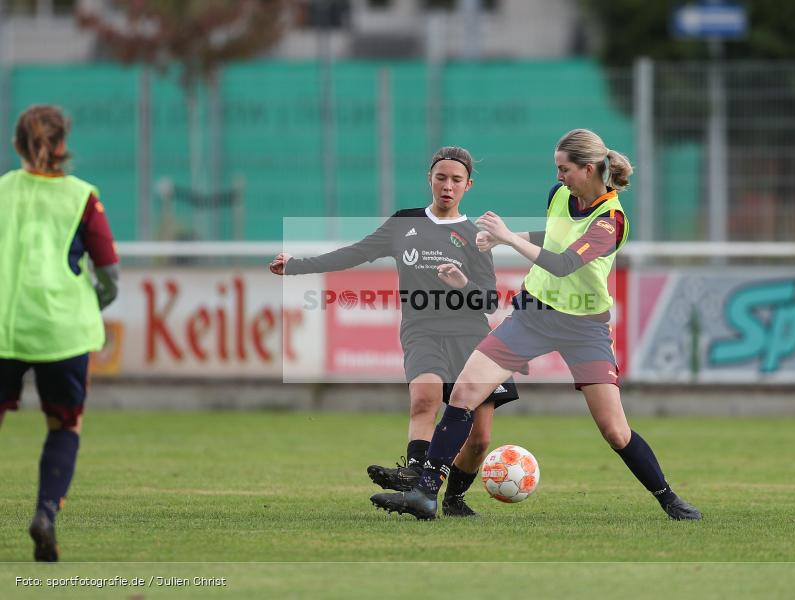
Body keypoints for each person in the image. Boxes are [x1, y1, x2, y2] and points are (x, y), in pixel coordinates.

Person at [371, 128, 702, 521]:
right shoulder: (559, 195)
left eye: (565, 169)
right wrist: (506, 239)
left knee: (615, 430)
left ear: (590, 168)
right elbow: (557, 237)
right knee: (464, 392)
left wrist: (508, 237)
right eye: (557, 169)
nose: (559, 177)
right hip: (533, 314)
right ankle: (427, 495)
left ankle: (668, 498)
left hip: (584, 327)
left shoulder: (611, 220)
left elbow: (564, 264)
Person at [270, 146, 519, 517]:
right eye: (441, 177)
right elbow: (354, 253)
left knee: (480, 438)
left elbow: (486, 301)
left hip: (471, 336)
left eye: (455, 180)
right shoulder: (405, 223)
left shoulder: (476, 234)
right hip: (422, 329)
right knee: (425, 396)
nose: (447, 186)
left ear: (468, 185)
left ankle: (452, 499)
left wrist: (462, 283)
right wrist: (296, 266)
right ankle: (416, 477)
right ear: (430, 180)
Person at [0, 105, 119, 561]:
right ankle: (46, 513)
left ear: (16, 146)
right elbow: (109, 270)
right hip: (61, 330)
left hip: (4, 326)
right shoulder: (81, 196)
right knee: (65, 425)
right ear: (64, 146)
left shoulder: (4, 191)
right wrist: (95, 302)